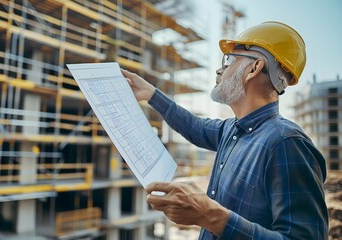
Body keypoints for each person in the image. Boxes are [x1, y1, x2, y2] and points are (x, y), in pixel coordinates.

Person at [121, 21, 328, 239]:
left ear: (254, 68)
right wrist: (151, 94)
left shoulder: (286, 143)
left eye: (229, 60)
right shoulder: (231, 130)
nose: (220, 69)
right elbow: (194, 126)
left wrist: (211, 216)